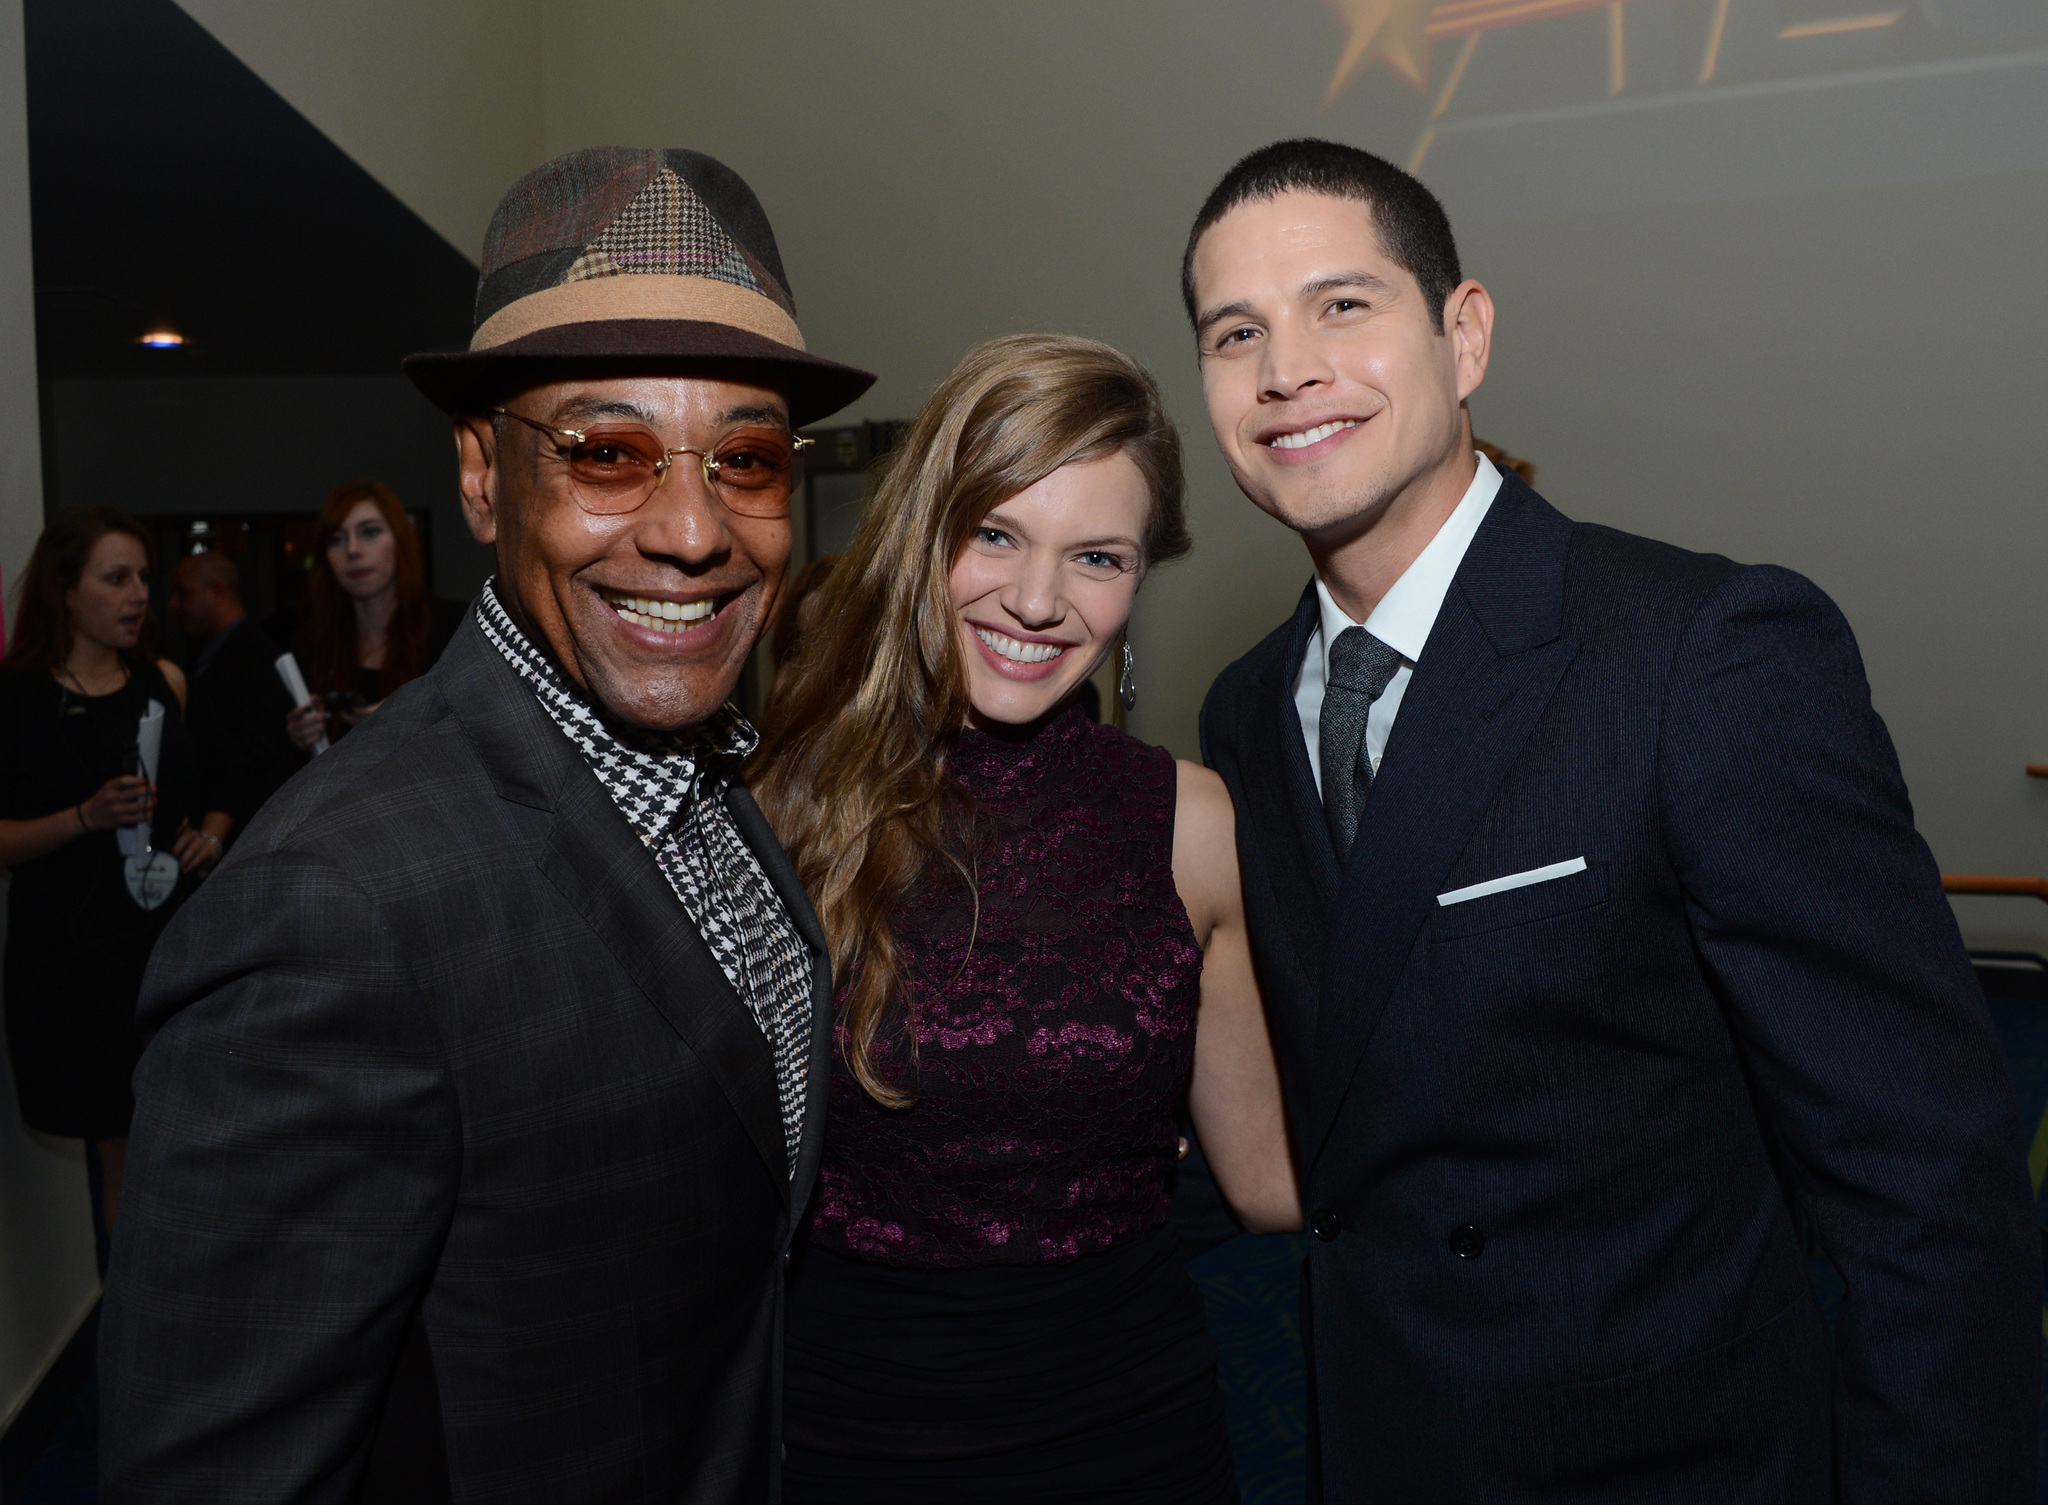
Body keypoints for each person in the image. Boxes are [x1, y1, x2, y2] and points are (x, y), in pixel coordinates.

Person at [1184, 137, 2039, 1500]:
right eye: (1238, 332)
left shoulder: (1700, 650)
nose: (1286, 367)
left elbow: (1923, 1182)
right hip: (1383, 1440)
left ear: (1465, 337)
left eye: (1341, 305)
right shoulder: (1242, 714)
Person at [99, 146, 875, 1503]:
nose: (695, 529)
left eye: (746, 457)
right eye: (608, 451)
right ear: (478, 477)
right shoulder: (331, 912)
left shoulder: (712, 779)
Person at [752, 334, 1298, 1504]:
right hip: (850, 1440)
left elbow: (1269, 1182)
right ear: (922, 534)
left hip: (1128, 1434)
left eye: (1097, 556)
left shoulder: (1190, 822)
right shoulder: (776, 814)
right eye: (995, 533)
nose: (1039, 600)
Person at [0, 508, 227, 1247]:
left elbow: (199, 798)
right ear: (66, 590)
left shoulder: (164, 682)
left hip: (169, 948)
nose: (139, 595)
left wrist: (204, 836)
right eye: (115, 578)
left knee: (196, 1149)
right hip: (74, 965)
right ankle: (133, 1347)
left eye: (143, 578)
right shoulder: (19, 700)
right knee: (124, 1156)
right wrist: (84, 816)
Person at [285, 479, 466, 751]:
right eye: (336, 539)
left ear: (400, 539)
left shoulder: (457, 629)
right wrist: (303, 739)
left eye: (369, 532)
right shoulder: (312, 646)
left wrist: (407, 719)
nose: (353, 550)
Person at [167, 549, 299, 833]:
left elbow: (256, 760)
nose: (172, 604)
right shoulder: (217, 654)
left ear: (217, 593)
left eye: (183, 593)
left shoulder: (253, 658)